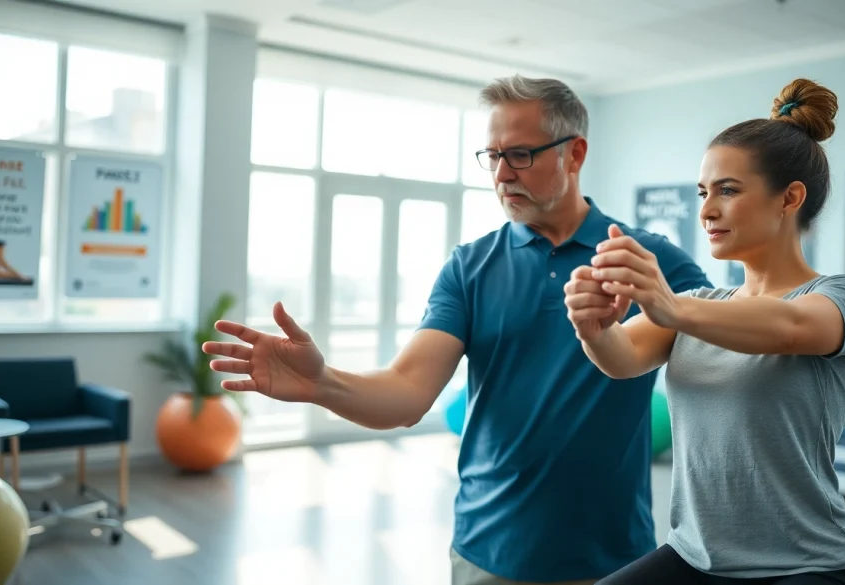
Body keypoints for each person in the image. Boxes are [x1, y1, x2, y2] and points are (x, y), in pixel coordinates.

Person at [203, 74, 712, 584]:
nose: (502, 174)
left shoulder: (649, 262)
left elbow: (729, 347)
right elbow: (407, 392)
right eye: (492, 156)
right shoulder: (470, 268)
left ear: (573, 154)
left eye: (520, 155)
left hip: (613, 560)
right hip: (486, 554)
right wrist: (322, 383)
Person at [565, 78, 845, 585]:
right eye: (703, 192)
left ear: (790, 198)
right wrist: (594, 326)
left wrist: (669, 305)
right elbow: (622, 357)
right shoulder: (699, 305)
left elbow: (787, 328)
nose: (706, 210)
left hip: (807, 564)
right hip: (693, 556)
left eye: (728, 191)